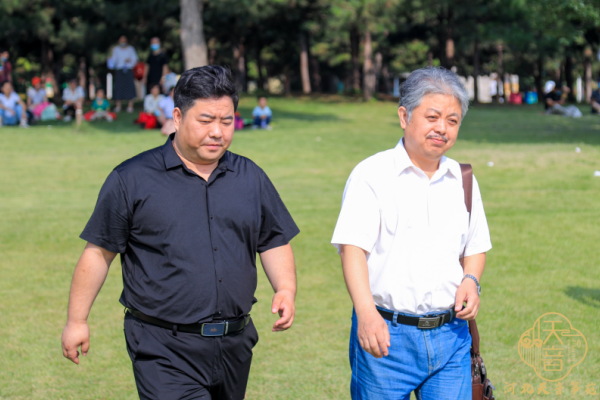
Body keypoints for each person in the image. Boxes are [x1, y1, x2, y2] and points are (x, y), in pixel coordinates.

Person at [61, 65, 299, 400]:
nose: (217, 132)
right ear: (177, 116)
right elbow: (99, 253)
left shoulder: (251, 177)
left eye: (226, 121)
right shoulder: (131, 179)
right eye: (206, 120)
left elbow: (272, 239)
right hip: (162, 347)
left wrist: (285, 288)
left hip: (235, 343)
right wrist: (77, 321)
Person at [331, 67, 492, 399]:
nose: (442, 128)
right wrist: (366, 314)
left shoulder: (462, 178)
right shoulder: (371, 175)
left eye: (452, 120)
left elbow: (475, 245)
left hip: (451, 336)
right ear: (404, 117)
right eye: (432, 117)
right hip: (386, 337)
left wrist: (471, 280)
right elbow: (352, 250)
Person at [110, 35, 138, 113]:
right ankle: (118, 106)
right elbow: (113, 61)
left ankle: (130, 106)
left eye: (124, 40)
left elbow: (135, 59)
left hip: (128, 70)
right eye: (121, 40)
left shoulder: (131, 49)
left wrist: (130, 60)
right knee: (118, 87)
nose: (123, 41)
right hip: (119, 70)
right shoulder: (115, 49)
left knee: (130, 87)